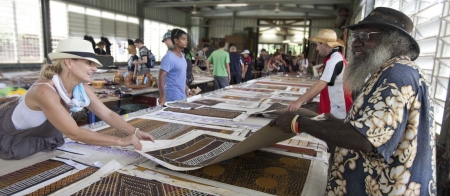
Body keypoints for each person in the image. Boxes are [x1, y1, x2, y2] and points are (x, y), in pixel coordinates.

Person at [270, 7, 436, 195]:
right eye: (356, 36)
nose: (355, 43)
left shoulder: (397, 75)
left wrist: (297, 123)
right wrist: (342, 124)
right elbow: (383, 128)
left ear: (393, 41)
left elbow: (366, 140)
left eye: (365, 36)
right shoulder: (394, 71)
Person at [0, 39, 154, 160]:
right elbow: (74, 133)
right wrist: (120, 141)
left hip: (42, 139)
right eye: (89, 62)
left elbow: (106, 114)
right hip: (14, 141)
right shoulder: (44, 91)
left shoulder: (82, 87)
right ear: (69, 62)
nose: (94, 68)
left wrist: (136, 132)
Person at [287, 29, 352, 120]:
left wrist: (298, 102)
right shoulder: (335, 57)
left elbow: (321, 84)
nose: (316, 48)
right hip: (335, 107)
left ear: (324, 44)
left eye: (317, 44)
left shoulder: (334, 60)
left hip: (337, 111)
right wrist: (309, 97)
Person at [158, 29, 193, 106]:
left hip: (182, 95)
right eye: (183, 39)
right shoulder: (169, 57)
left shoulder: (182, 56)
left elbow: (180, 77)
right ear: (176, 40)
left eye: (186, 39)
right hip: (172, 97)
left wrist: (187, 89)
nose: (186, 41)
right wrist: (162, 95)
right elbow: (161, 77)